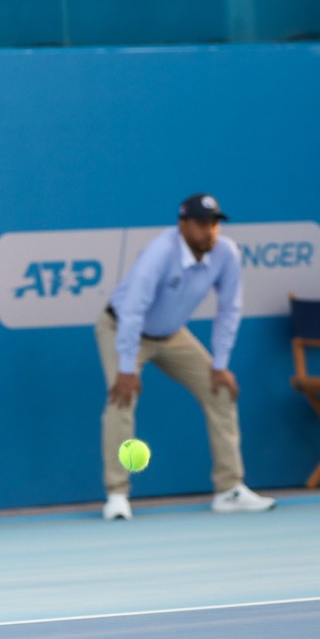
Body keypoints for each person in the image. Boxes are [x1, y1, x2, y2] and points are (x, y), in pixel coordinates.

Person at [97, 193, 277, 520]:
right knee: (121, 400)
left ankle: (228, 490)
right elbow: (133, 309)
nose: (210, 231)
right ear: (183, 225)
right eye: (202, 224)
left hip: (172, 334)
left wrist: (220, 365)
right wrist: (126, 368)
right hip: (121, 328)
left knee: (220, 390)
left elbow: (229, 309)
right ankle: (117, 494)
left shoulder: (226, 253)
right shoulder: (159, 253)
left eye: (215, 224)